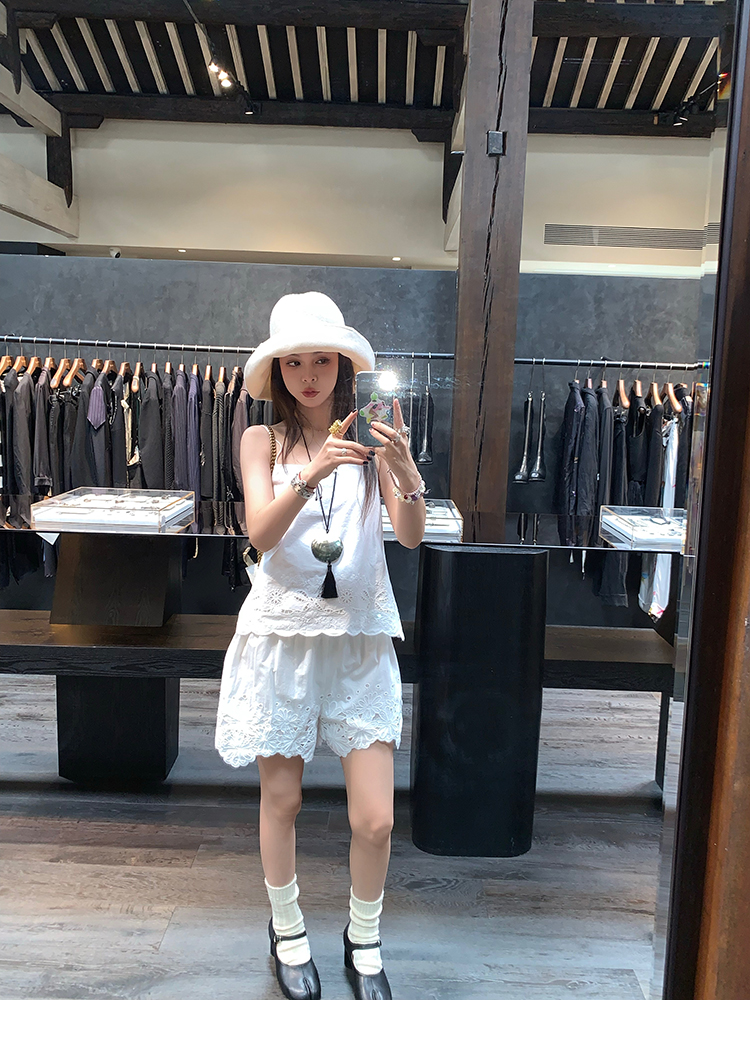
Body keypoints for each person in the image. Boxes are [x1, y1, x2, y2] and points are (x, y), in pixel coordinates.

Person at [215, 292, 426, 1000]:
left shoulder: (373, 440)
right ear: (278, 371)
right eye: (294, 363)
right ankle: (287, 930)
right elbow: (260, 534)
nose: (309, 376)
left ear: (343, 365)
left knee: (377, 817)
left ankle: (364, 937)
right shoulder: (263, 441)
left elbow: (409, 537)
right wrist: (312, 474)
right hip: (282, 638)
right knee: (283, 800)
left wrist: (406, 474)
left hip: (359, 639)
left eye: (322, 360)